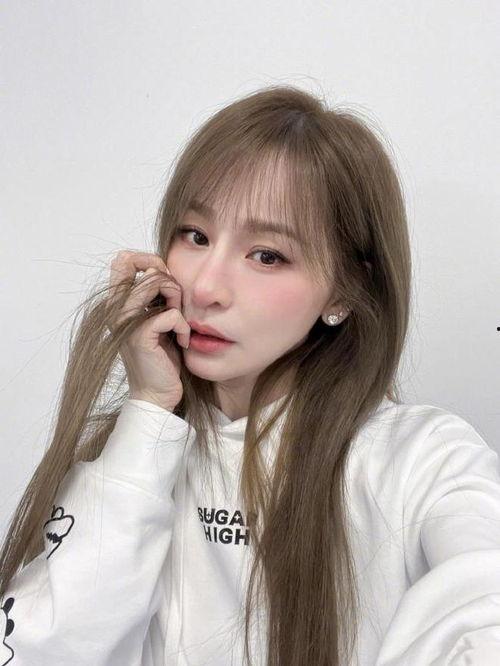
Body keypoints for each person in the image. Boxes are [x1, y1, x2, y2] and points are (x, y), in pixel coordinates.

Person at [1, 85, 499, 666]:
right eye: (196, 236)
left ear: (344, 289)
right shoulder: (135, 449)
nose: (206, 287)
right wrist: (148, 413)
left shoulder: (422, 459)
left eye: (267, 255)